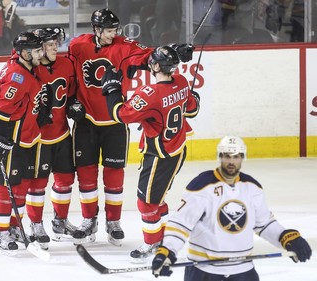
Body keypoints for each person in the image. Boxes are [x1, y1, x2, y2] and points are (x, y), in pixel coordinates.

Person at [68, 8, 193, 246]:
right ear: (95, 29)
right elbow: (71, 77)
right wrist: (71, 101)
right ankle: (89, 219)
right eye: (108, 30)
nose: (113, 34)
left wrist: (175, 50)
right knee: (86, 176)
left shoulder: (124, 46)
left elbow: (149, 57)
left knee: (114, 176)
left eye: (115, 29)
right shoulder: (77, 46)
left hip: (115, 123)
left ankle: (113, 222)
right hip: (86, 121)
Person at [151, 136, 312, 280]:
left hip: (243, 269)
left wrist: (285, 238)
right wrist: (168, 251)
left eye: (236, 156)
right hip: (204, 271)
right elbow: (180, 224)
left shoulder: (252, 187)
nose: (231, 161)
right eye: (227, 156)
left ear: (242, 158)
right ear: (220, 157)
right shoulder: (202, 186)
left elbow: (264, 224)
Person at [101, 46, 200, 260]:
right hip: (177, 150)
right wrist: (194, 98)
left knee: (145, 202)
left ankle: (153, 243)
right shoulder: (182, 81)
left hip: (160, 156)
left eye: (151, 62)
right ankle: (164, 237)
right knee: (157, 199)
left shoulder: (150, 94)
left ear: (155, 66)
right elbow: (193, 109)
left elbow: (121, 115)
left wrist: (112, 89)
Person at [24, 27, 84, 248]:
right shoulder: (31, 70)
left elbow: (71, 93)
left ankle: (59, 222)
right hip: (39, 139)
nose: (55, 49)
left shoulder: (66, 64)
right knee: (38, 184)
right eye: (50, 45)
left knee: (66, 179)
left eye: (55, 44)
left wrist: (74, 105)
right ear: (39, 48)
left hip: (62, 134)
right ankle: (36, 224)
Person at [0, 31, 44, 253]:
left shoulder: (29, 69)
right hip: (9, 140)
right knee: (4, 185)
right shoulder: (16, 76)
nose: (41, 54)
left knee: (20, 185)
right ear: (25, 53)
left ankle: (14, 225)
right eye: (37, 50)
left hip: (26, 138)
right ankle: (0, 231)